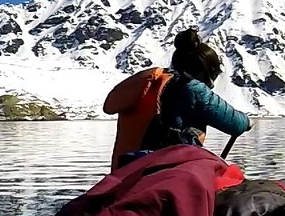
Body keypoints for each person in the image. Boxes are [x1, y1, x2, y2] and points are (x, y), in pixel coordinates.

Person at [103, 28, 253, 171]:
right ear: (204, 70)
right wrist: (247, 122)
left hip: (125, 169)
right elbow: (235, 123)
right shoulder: (192, 88)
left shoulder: (154, 82)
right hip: (162, 171)